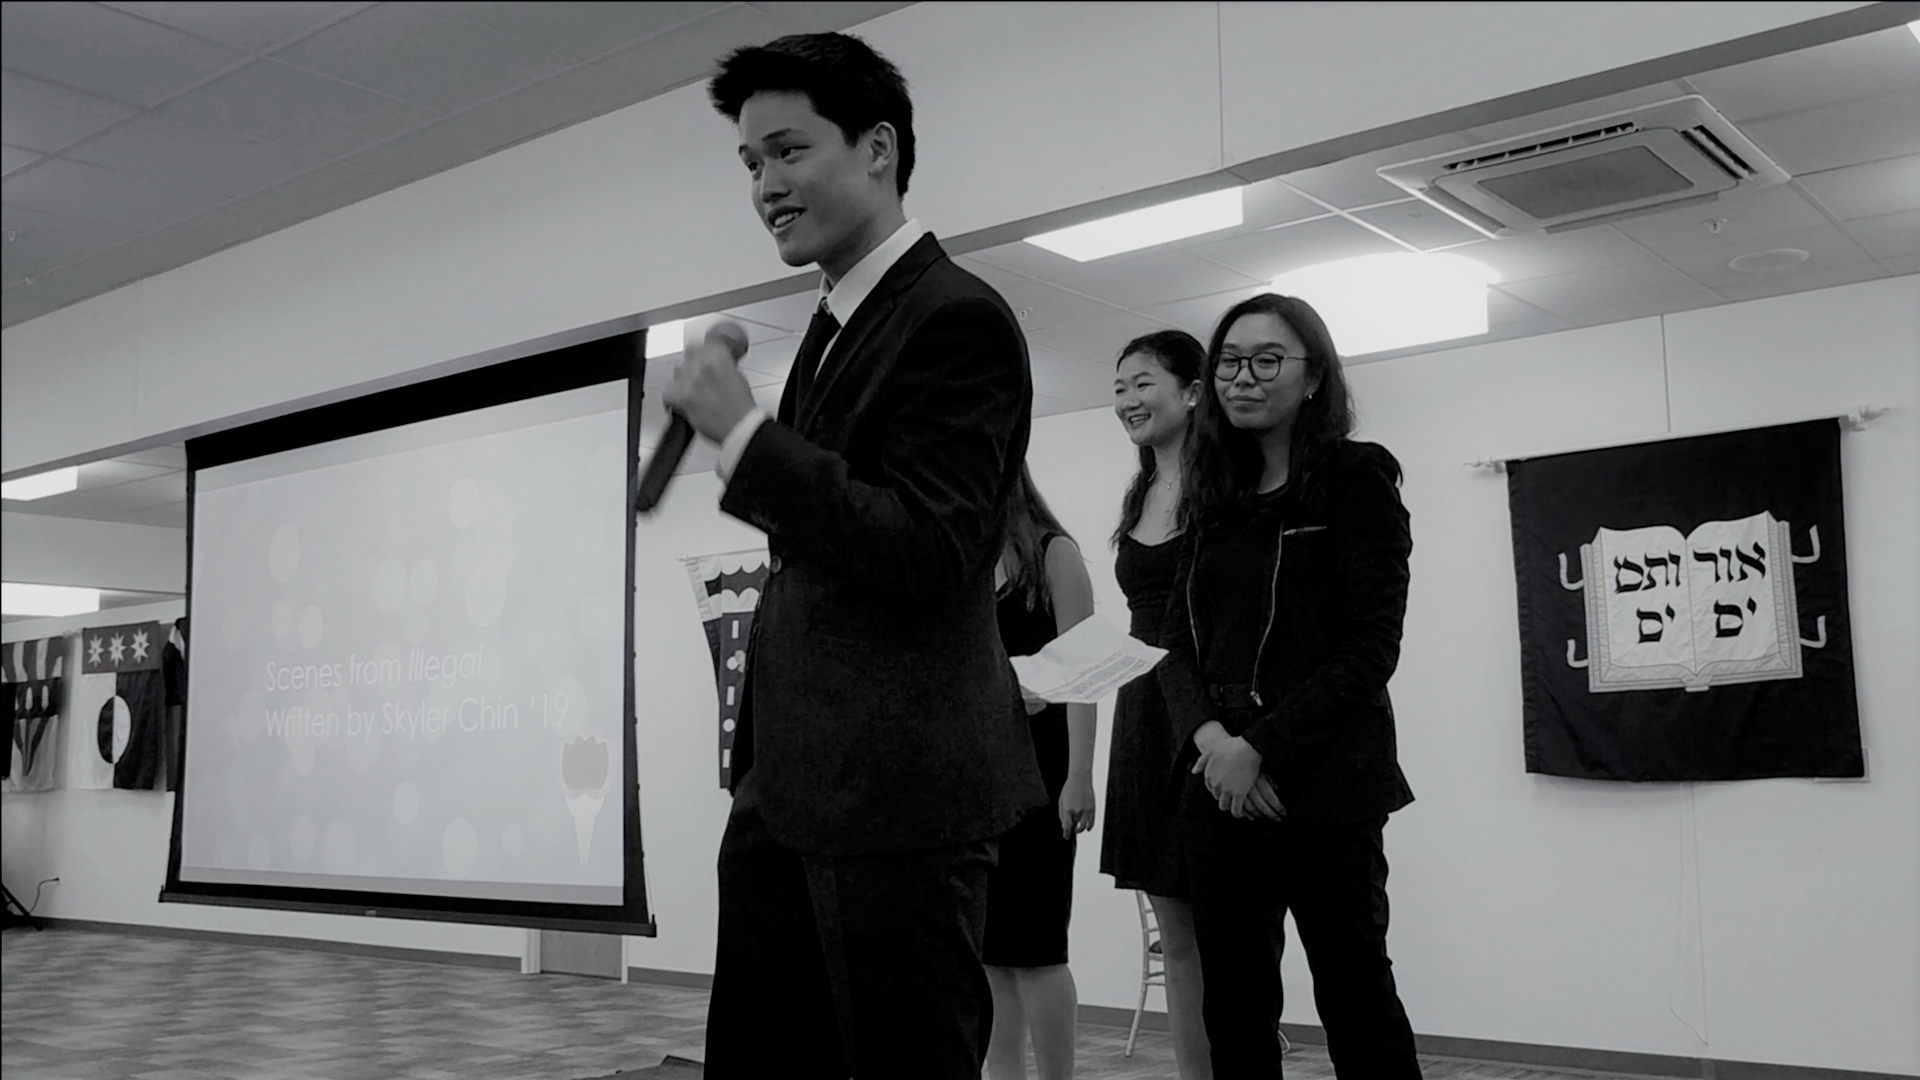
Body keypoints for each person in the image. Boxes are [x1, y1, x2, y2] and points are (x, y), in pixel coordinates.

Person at [667, 32, 1046, 1078]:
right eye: (751, 163)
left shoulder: (956, 316)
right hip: (792, 784)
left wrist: (748, 441)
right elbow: (835, 540)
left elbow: (930, 548)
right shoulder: (838, 321)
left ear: (878, 148)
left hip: (898, 795)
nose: (766, 187)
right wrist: (754, 455)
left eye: (790, 151)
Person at [1159, 294, 1421, 1078]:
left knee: (1355, 994)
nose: (1242, 377)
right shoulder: (1213, 491)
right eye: (1229, 361)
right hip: (1218, 786)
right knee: (1234, 1006)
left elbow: (1370, 648)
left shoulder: (1356, 476)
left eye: (1267, 360)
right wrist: (1215, 744)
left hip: (1326, 780)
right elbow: (1174, 645)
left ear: (1313, 378)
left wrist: (1261, 750)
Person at [1101, 329, 1215, 1078]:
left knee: (1226, 930)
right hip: (1144, 711)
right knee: (1174, 934)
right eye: (1119, 389)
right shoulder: (1139, 492)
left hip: (1207, 707)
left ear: (1193, 392)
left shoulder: (1225, 487)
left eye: (1143, 383)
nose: (1128, 401)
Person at [983, 465, 1097, 1080]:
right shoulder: (969, 561)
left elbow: (1085, 676)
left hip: (1043, 774)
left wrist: (1080, 777)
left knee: (1038, 949)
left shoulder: (1056, 554)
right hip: (982, 778)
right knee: (990, 954)